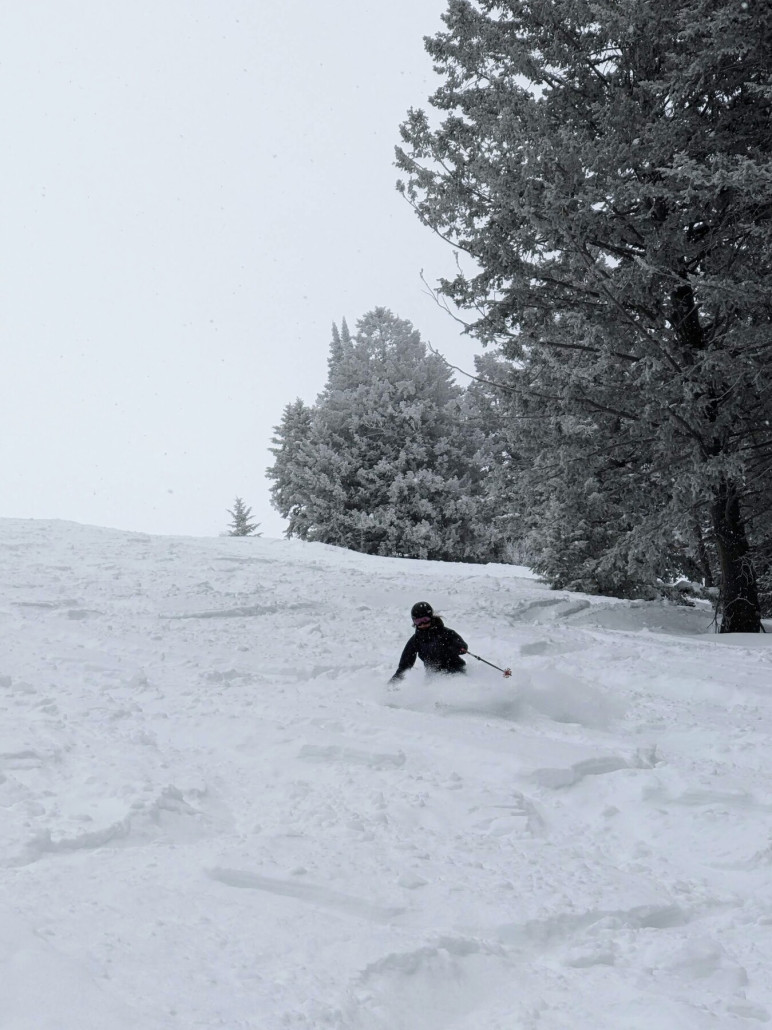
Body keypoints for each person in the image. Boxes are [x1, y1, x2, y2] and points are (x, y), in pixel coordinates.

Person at [389, 601, 468, 682]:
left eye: (425, 620)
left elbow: (462, 646)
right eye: (418, 622)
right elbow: (405, 664)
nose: (422, 624)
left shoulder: (446, 633)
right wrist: (395, 681)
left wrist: (457, 648)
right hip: (434, 676)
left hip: (456, 671)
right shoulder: (416, 640)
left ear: (431, 617)